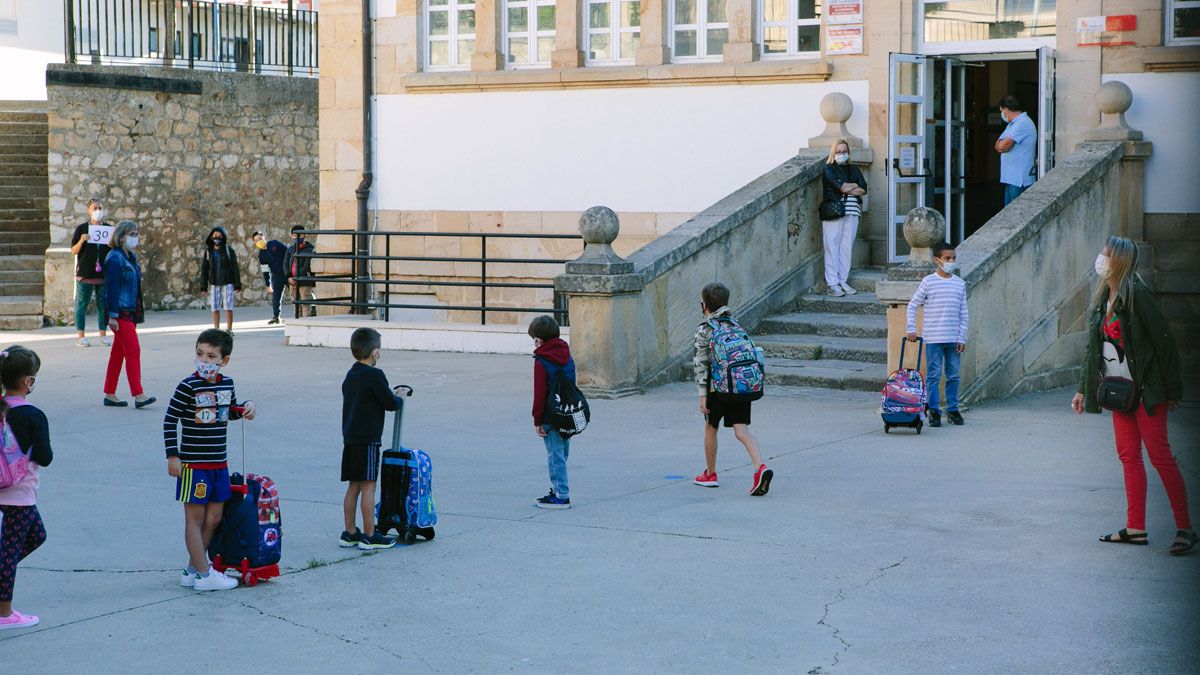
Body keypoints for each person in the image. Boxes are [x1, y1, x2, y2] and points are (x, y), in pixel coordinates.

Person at [1071, 236, 1196, 556]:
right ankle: (1136, 527)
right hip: (1119, 392)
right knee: (1129, 457)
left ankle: (1186, 528)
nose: (1101, 258)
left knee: (1161, 458)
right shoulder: (1103, 298)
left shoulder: (1138, 295)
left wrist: (1171, 391)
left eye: (1106, 254)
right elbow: (1092, 351)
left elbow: (1165, 343)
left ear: (1120, 260)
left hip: (1147, 391)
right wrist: (1084, 390)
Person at [163, 329, 258, 591]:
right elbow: (170, 420)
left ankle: (193, 569)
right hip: (193, 466)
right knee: (194, 519)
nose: (204, 360)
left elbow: (228, 412)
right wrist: (173, 455)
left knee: (214, 517)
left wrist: (245, 408)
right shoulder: (187, 386)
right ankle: (206, 575)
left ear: (223, 360)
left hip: (219, 464)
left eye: (211, 356)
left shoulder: (227, 383)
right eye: (200, 354)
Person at [692, 282, 773, 496]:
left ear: (705, 305)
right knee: (742, 430)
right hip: (741, 384)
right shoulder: (736, 325)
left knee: (711, 427)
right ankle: (760, 467)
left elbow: (701, 365)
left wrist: (702, 395)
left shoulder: (706, 329)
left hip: (716, 388)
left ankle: (710, 474)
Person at [0, 346, 51, 630]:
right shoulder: (32, 415)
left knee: (37, 534)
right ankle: (4, 614)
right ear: (28, 381)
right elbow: (45, 457)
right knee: (9, 552)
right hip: (19, 492)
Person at [340, 328, 400, 549]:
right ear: (375, 353)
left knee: (353, 485)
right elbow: (390, 403)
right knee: (369, 485)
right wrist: (399, 398)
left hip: (350, 437)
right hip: (369, 439)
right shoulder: (375, 375)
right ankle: (369, 534)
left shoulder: (351, 374)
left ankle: (349, 531)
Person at [906, 242, 968, 428]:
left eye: (953, 258)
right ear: (937, 260)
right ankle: (933, 410)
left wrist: (961, 337)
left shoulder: (959, 284)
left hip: (953, 339)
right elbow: (912, 305)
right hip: (934, 338)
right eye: (947, 258)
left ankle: (953, 409)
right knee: (933, 376)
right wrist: (911, 328)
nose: (951, 262)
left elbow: (964, 313)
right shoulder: (928, 282)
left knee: (953, 375)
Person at [102, 221, 155, 409]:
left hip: (130, 313)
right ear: (122, 236)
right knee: (133, 351)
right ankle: (139, 394)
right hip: (120, 314)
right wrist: (112, 316)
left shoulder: (130, 257)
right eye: (132, 234)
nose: (136, 237)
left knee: (118, 354)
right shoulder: (114, 258)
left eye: (137, 233)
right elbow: (111, 289)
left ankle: (109, 392)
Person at [529, 315, 576, 509]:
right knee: (562, 452)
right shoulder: (566, 355)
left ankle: (561, 495)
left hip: (550, 415)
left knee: (554, 454)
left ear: (539, 339)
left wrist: (537, 420)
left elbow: (540, 394)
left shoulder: (542, 361)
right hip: (567, 413)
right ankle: (557, 489)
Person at [820, 139, 867, 297]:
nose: (842, 154)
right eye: (839, 152)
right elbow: (841, 187)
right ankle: (832, 283)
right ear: (833, 153)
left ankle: (843, 280)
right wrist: (851, 186)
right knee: (832, 246)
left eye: (844, 151)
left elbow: (863, 189)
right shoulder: (829, 169)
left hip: (852, 211)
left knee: (846, 247)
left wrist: (849, 187)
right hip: (835, 210)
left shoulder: (854, 169)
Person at [70, 198, 112, 348]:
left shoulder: (108, 229)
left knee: (103, 305)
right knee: (81, 305)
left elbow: (115, 250)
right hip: (85, 273)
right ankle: (81, 336)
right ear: (88, 210)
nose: (97, 211)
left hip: (103, 275)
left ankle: (103, 335)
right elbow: (73, 251)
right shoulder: (82, 229)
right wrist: (81, 241)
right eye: (94, 208)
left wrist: (111, 243)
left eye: (100, 208)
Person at [198, 227, 242, 332]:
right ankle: (216, 330)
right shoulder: (209, 252)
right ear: (211, 237)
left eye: (219, 236)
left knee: (228, 307)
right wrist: (203, 286)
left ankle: (229, 330)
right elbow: (204, 269)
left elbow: (235, 268)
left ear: (223, 237)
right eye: (215, 236)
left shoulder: (228, 251)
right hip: (214, 283)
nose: (217, 238)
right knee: (214, 307)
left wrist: (237, 284)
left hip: (227, 282)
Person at [995, 95, 1037, 206]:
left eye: (1001, 111)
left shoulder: (1023, 123)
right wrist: (1003, 145)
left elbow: (1003, 145)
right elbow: (998, 145)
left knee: (1016, 214)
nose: (1002, 114)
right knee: (1008, 214)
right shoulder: (1012, 124)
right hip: (1011, 177)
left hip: (1019, 179)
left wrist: (1004, 145)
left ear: (1007, 111)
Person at [251, 231, 288, 325]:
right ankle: (276, 317)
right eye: (256, 241)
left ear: (264, 238)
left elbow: (288, 252)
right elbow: (265, 271)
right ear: (254, 243)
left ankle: (301, 314)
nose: (259, 241)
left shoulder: (274, 243)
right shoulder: (261, 255)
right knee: (276, 298)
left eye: (260, 239)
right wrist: (268, 284)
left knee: (296, 294)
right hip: (276, 276)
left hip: (288, 274)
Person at [284, 225, 316, 318]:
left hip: (304, 281)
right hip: (292, 281)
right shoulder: (290, 249)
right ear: (291, 235)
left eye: (300, 235)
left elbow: (306, 266)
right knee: (295, 304)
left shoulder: (308, 249)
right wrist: (289, 276)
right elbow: (285, 263)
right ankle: (297, 322)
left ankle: (306, 324)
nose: (297, 238)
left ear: (304, 236)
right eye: (295, 235)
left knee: (305, 304)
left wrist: (297, 276)